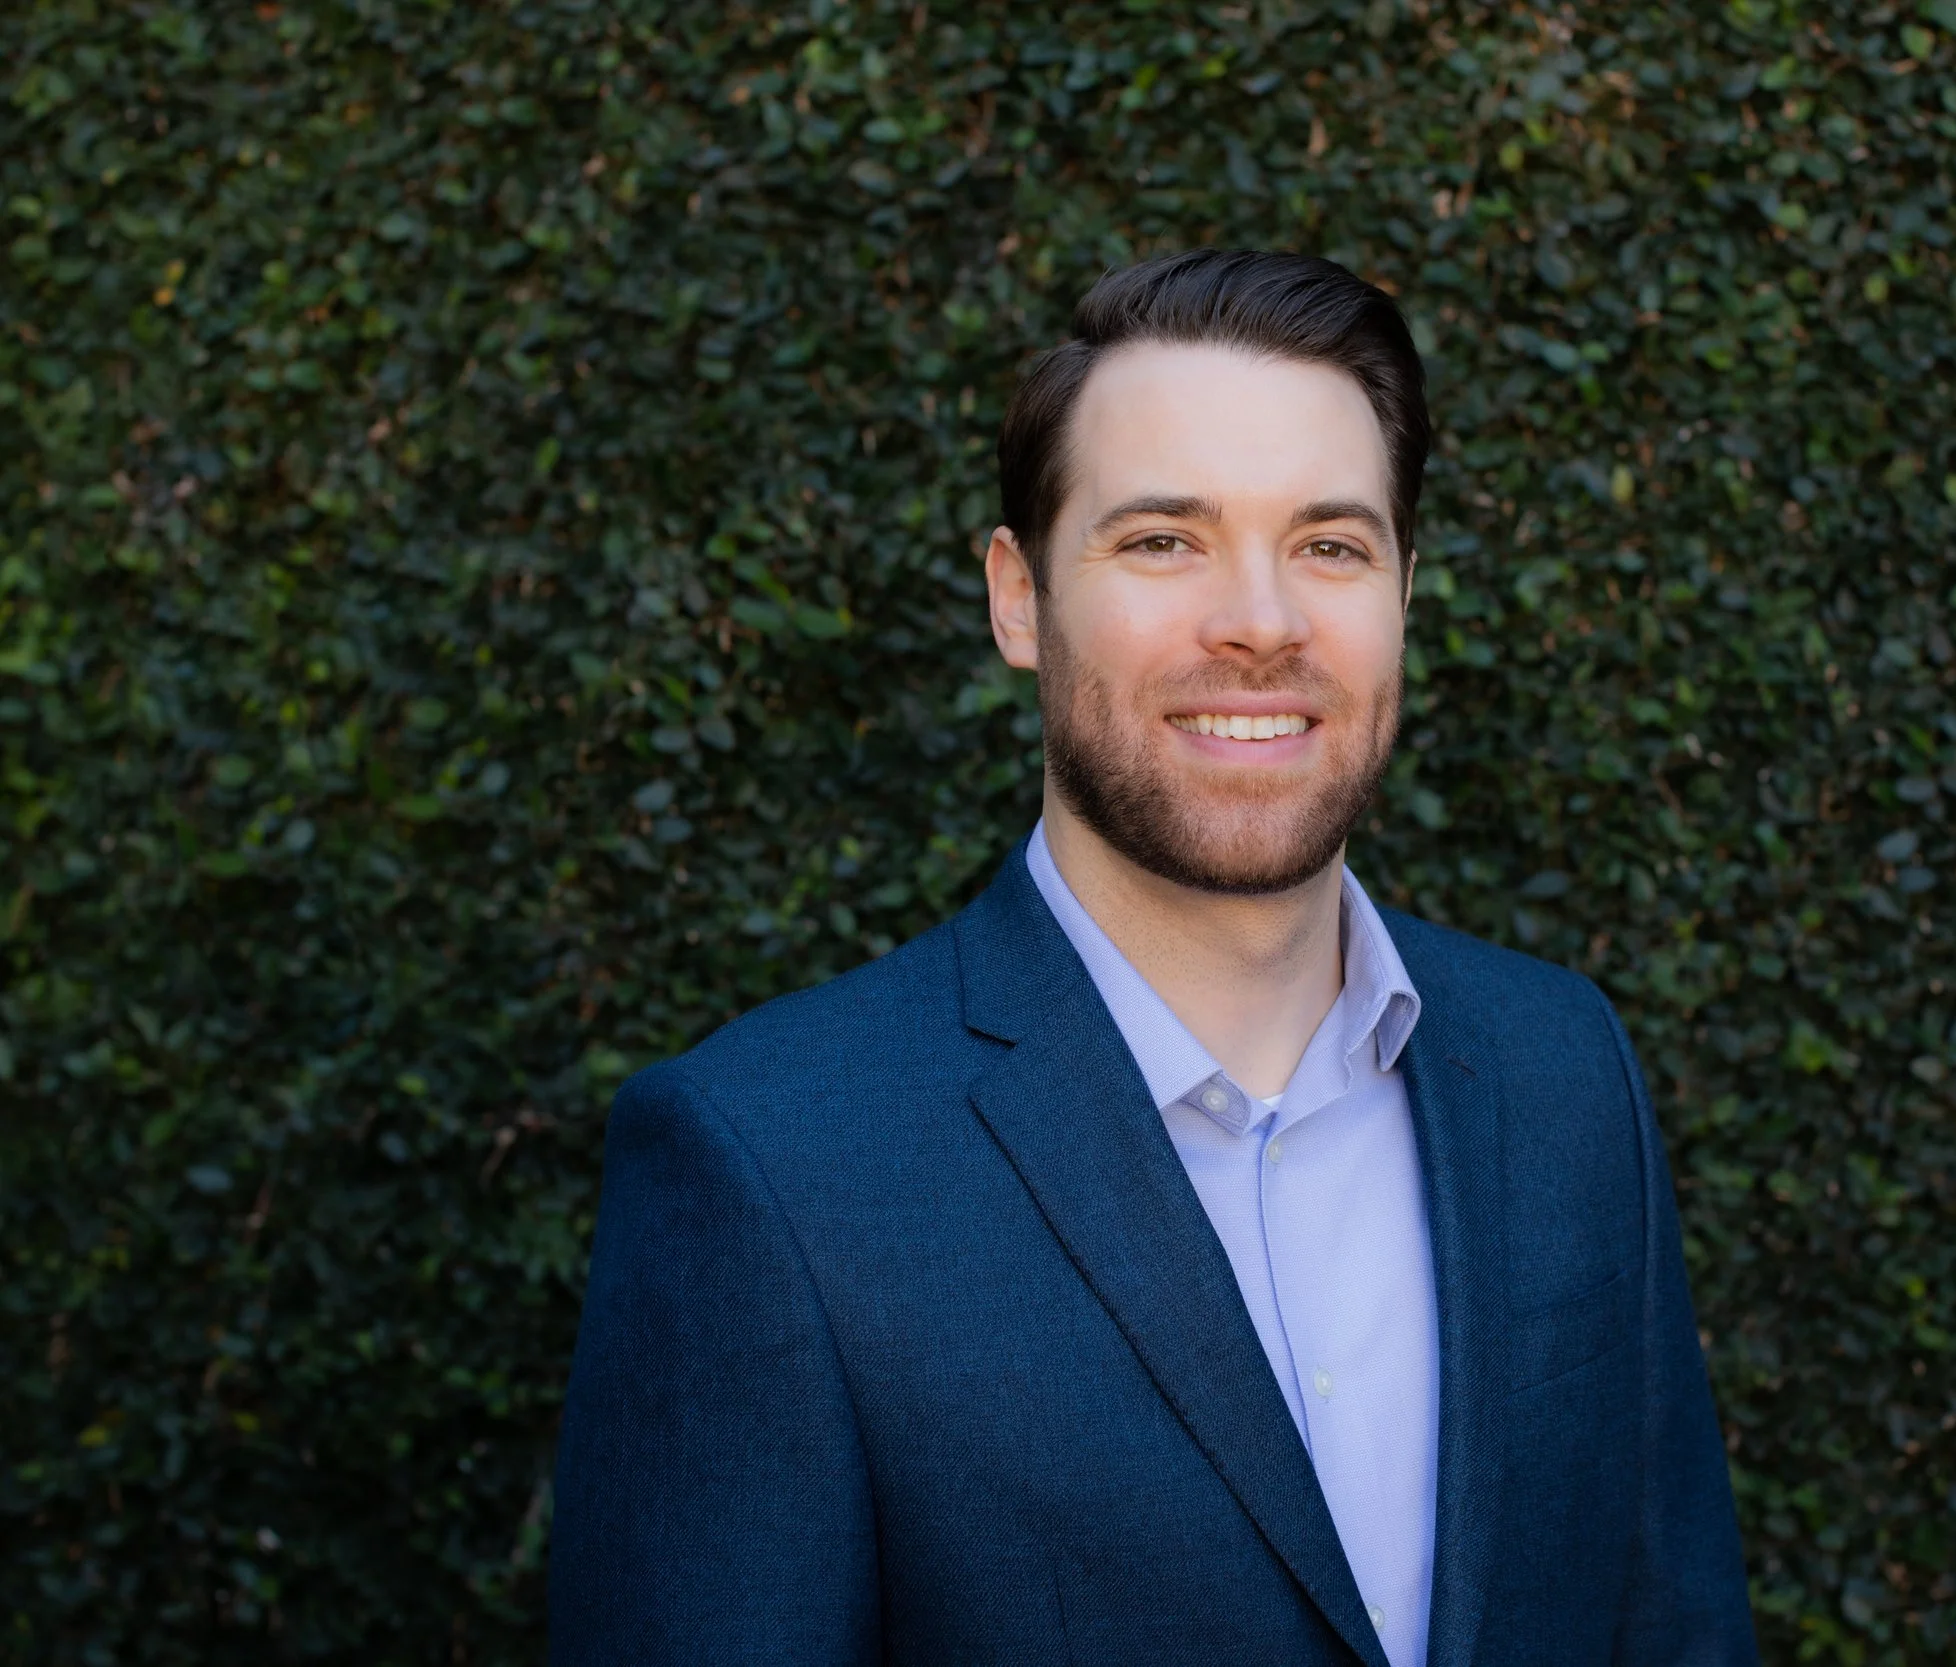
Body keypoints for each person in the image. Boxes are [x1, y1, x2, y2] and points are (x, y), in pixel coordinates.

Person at [549, 249, 1756, 1666]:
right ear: (1019, 598)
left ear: (1404, 595)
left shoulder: (1565, 1075)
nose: (1260, 619)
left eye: (1330, 544)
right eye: (1164, 540)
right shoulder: (770, 1167)